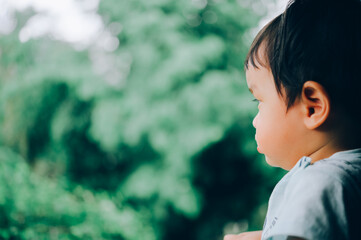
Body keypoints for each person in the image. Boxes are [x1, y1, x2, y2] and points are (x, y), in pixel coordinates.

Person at [224, 0, 361, 239]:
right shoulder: (348, 180)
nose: (254, 121)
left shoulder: (321, 184)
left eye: (260, 102)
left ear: (313, 107)